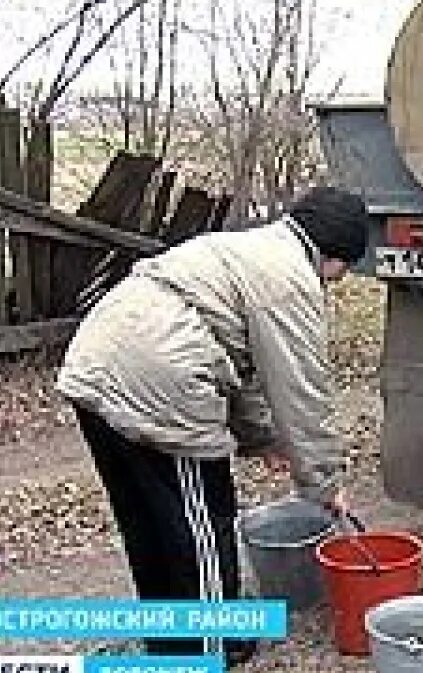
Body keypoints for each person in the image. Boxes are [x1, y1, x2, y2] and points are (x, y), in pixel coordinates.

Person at [56, 186, 371, 666]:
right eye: (344, 270)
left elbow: (239, 363)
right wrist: (325, 483)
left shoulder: (246, 249)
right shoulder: (291, 280)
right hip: (158, 380)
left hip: (94, 363)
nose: (338, 281)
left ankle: (172, 643)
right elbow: (302, 391)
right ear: (334, 255)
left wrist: (262, 439)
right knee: (201, 525)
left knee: (148, 523)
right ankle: (208, 649)